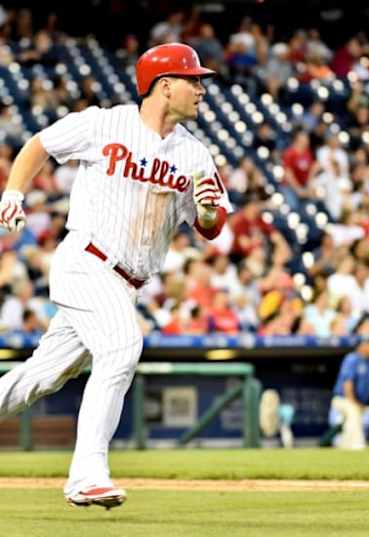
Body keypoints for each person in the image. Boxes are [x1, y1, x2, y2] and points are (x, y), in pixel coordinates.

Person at [0, 43, 231, 509]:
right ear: (165, 87)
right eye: (193, 80)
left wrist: (207, 212)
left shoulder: (195, 155)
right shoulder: (105, 123)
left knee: (39, 379)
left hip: (125, 284)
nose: (202, 89)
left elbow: (212, 227)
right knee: (124, 346)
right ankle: (87, 474)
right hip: (86, 259)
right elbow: (40, 144)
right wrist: (13, 192)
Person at [328, 342, 369, 449]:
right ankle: (356, 444)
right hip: (343, 399)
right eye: (368, 344)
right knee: (353, 410)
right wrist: (354, 403)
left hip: (361, 403)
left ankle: (346, 443)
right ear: (361, 346)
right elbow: (347, 383)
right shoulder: (352, 358)